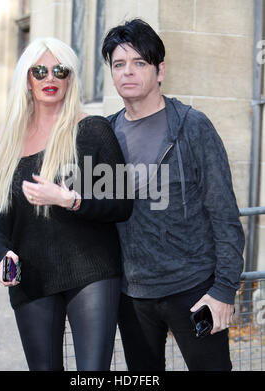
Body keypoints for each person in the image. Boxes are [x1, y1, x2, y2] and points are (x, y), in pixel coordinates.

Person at [102, 18, 245, 371]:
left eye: (139, 63)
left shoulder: (192, 126)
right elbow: (93, 211)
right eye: (119, 64)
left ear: (160, 69)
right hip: (133, 296)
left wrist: (224, 290)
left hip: (194, 290)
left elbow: (224, 213)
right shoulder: (104, 133)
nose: (128, 72)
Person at [0, 37, 133, 371]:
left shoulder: (93, 130)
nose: (49, 78)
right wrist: (2, 253)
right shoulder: (5, 139)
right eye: (40, 71)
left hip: (91, 271)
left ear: (71, 78)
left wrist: (70, 200)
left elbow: (123, 203)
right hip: (32, 276)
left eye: (60, 70)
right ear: (27, 78)